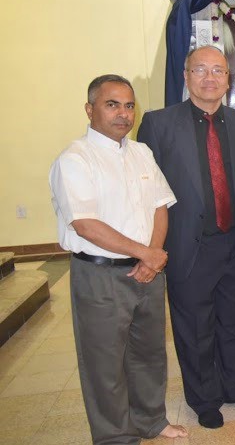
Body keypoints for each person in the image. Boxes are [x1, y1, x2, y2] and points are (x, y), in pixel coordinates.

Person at [49, 75, 188, 444]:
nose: (123, 114)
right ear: (90, 109)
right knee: (104, 365)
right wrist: (147, 253)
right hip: (101, 277)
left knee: (149, 355)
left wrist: (152, 258)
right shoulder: (75, 159)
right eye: (112, 105)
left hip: (147, 273)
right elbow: (85, 224)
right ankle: (115, 438)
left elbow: (161, 205)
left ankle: (151, 422)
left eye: (129, 105)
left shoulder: (141, 152)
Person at [137, 46, 235, 428]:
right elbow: (146, 193)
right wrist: (150, 248)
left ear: (228, 78)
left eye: (218, 71)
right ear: (186, 76)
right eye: (200, 70)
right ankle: (204, 398)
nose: (210, 78)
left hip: (234, 242)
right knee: (194, 328)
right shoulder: (158, 124)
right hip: (187, 245)